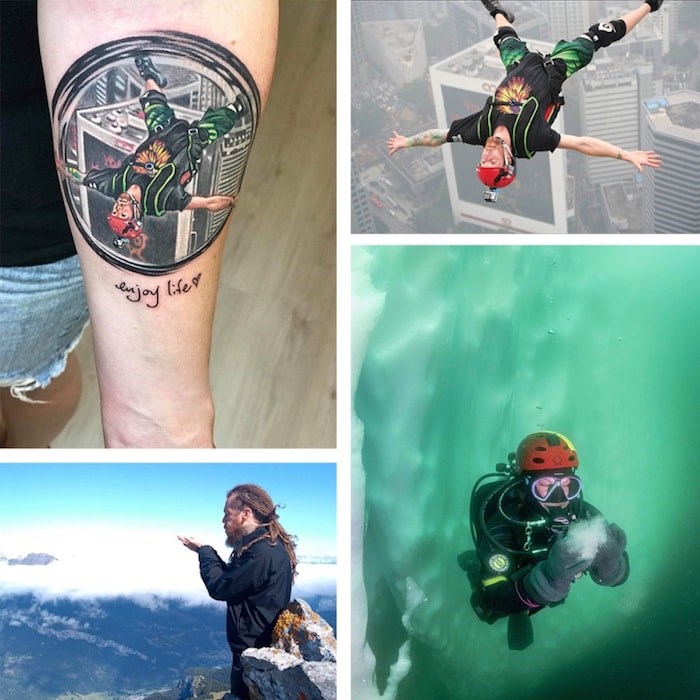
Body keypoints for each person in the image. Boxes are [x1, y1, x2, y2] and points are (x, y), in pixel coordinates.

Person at [0, 0, 278, 447]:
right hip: (185, 142)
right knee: (210, 120)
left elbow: (94, 176)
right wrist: (212, 202)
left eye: (121, 211)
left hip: (20, 235)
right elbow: (190, 202)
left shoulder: (122, 183)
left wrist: (154, 416)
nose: (125, 208)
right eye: (126, 215)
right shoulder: (156, 197)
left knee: (153, 101)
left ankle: (24, 449)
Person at [387, 0, 663, 203]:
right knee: (599, 35)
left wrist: (407, 142)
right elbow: (581, 144)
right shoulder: (532, 139)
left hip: (518, 66)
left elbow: (439, 136)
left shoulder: (478, 132)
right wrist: (624, 155)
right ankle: (651, 5)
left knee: (503, 36)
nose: (486, 154)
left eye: (483, 160)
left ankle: (498, 11)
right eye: (491, 160)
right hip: (554, 69)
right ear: (507, 161)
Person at [461, 431, 629, 648]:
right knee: (489, 612)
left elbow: (617, 577)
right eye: (545, 485)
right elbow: (493, 601)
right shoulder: (503, 523)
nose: (559, 498)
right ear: (525, 486)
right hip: (514, 578)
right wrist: (547, 582)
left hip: (546, 586)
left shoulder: (586, 516)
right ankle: (472, 566)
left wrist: (611, 567)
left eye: (569, 485)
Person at [178, 484, 296, 699]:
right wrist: (205, 550)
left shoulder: (261, 553)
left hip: (253, 654)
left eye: (227, 514)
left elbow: (220, 587)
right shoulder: (263, 546)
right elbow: (234, 580)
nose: (223, 520)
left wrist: (205, 552)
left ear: (245, 514)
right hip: (256, 651)